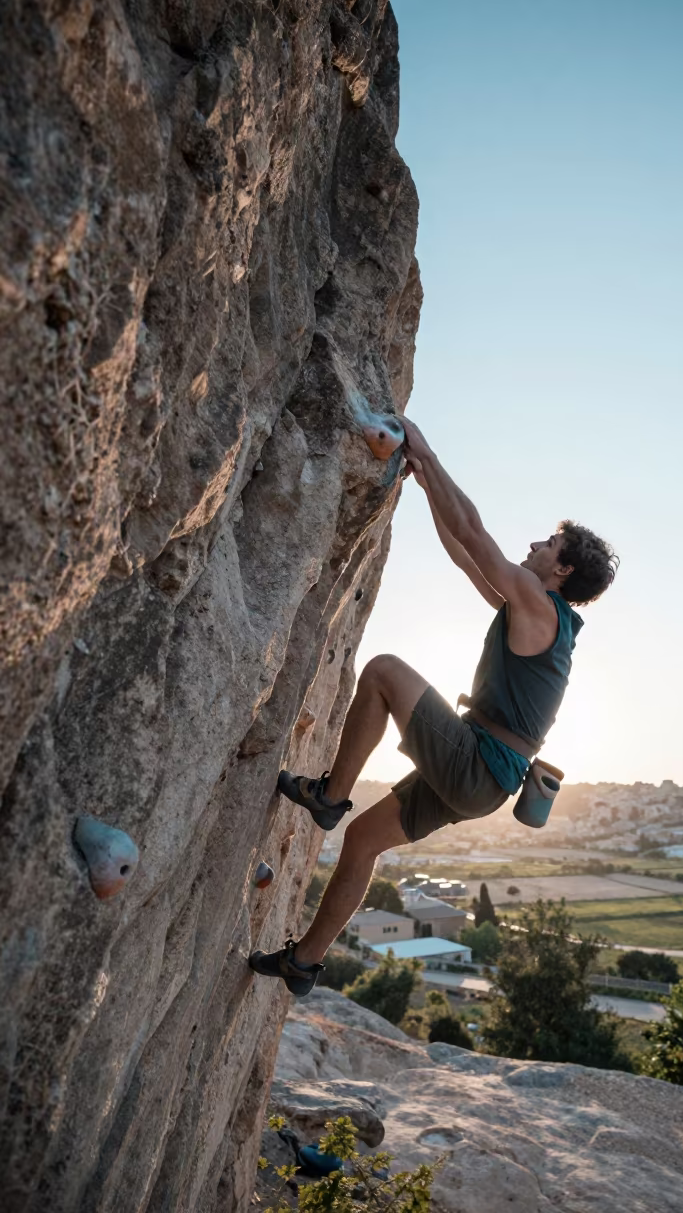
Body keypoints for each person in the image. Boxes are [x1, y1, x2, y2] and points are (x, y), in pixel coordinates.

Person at [249, 416, 618, 994]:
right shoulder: (535, 612)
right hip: (485, 779)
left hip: (478, 761)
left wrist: (427, 450)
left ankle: (328, 796)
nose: (533, 545)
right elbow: (464, 554)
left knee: (383, 672)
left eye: (548, 544)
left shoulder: (541, 605)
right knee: (365, 840)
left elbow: (474, 531)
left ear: (562, 569)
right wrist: (422, 482)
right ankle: (304, 963)